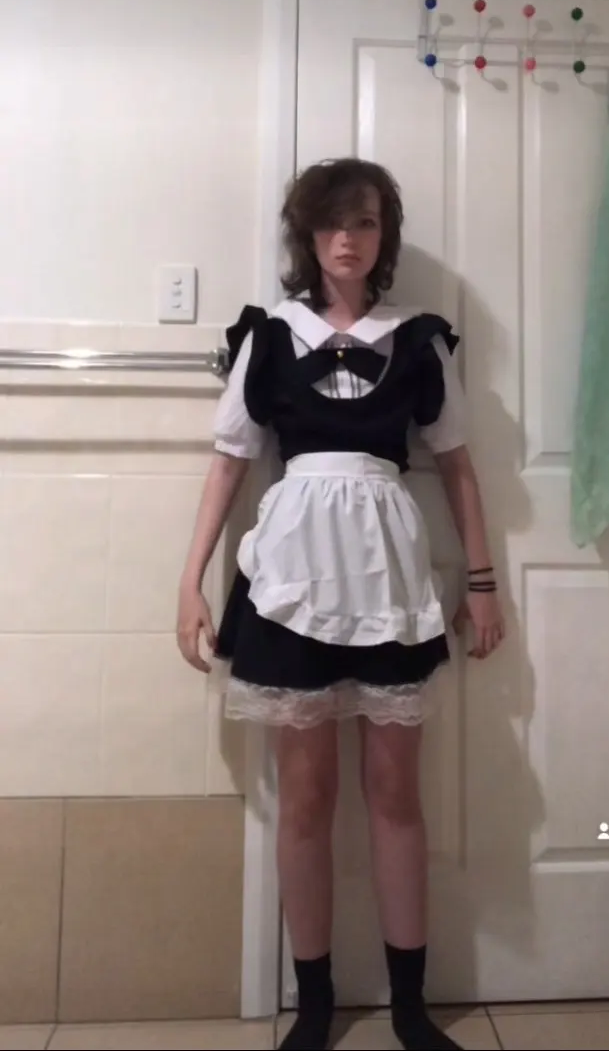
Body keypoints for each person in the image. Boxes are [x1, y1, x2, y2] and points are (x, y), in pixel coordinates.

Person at [177, 158, 505, 1051]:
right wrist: (190, 580)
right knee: (307, 797)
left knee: (396, 793)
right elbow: (228, 464)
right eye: (332, 223)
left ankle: (409, 1008)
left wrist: (482, 583)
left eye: (364, 223)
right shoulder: (269, 336)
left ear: (383, 237)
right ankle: (315, 1005)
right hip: (291, 583)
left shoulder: (420, 340)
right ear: (308, 237)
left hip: (388, 582)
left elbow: (459, 469)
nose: (348, 239)